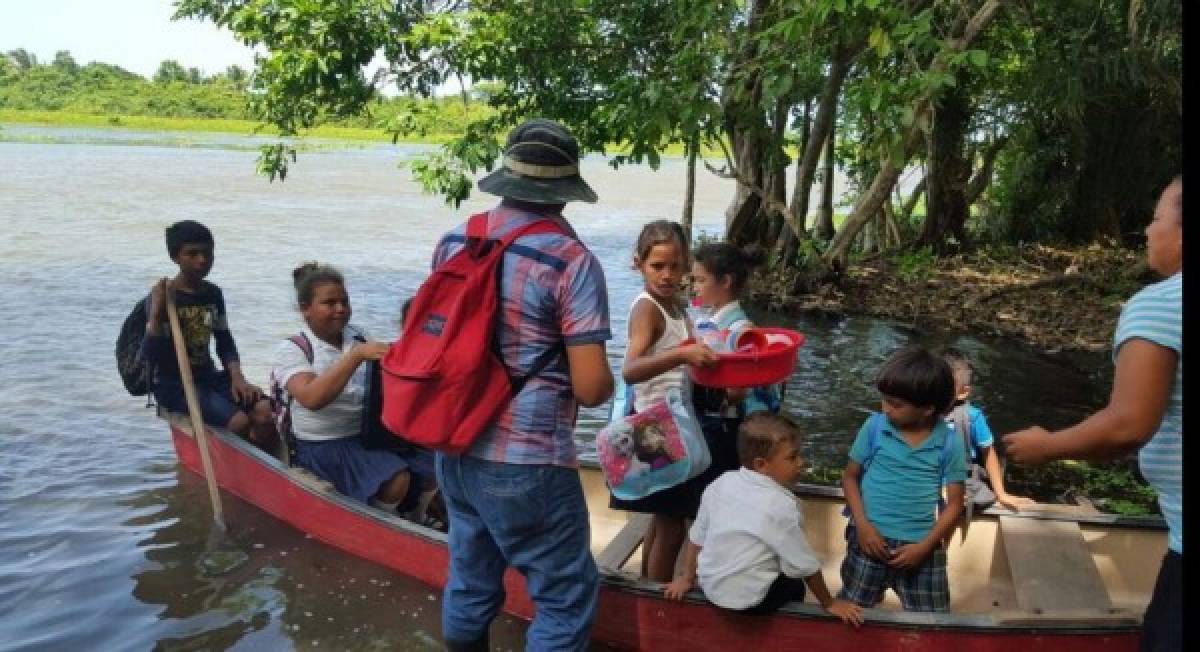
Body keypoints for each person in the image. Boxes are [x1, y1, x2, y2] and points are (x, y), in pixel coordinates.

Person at [430, 119, 614, 652]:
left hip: (455, 447)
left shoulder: (454, 241)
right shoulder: (570, 261)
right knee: (563, 597)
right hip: (526, 458)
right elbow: (591, 388)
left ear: (506, 179)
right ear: (564, 193)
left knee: (470, 578)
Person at [1004, 177, 1181, 651]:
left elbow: (1127, 426)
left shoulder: (1161, 305)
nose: (1147, 229)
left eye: (1157, 217)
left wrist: (1047, 446)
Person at [272, 263, 438, 524]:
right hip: (322, 442)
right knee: (397, 478)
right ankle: (383, 522)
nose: (340, 309)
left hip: (366, 432)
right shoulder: (294, 348)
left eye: (344, 301)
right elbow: (311, 398)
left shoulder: (357, 335)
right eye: (329, 303)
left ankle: (415, 513)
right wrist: (356, 356)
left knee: (435, 461)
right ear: (306, 309)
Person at [663, 413, 864, 626]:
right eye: (792, 457)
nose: (801, 463)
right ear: (761, 464)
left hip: (711, 590)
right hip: (754, 604)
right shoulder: (782, 506)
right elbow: (805, 566)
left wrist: (686, 578)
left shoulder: (720, 483)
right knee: (795, 582)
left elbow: (697, 538)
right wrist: (829, 602)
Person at [609, 219, 720, 583]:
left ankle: (647, 583)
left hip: (669, 422)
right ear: (638, 263)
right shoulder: (648, 309)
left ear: (686, 264)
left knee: (663, 515)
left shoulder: (674, 307)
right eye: (657, 266)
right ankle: (657, 597)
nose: (667, 275)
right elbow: (630, 369)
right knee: (673, 522)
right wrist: (683, 357)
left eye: (675, 266)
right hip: (653, 427)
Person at [838, 345, 966, 612]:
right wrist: (862, 526)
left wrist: (925, 547)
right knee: (853, 608)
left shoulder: (949, 442)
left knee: (934, 620)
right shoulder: (874, 427)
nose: (886, 409)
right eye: (884, 400)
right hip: (869, 540)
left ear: (928, 408)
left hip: (921, 546)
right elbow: (850, 478)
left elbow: (955, 504)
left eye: (896, 404)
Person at [143, 220, 276, 450]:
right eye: (192, 254)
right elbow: (151, 355)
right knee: (239, 422)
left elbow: (224, 339)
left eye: (207, 253)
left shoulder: (213, 294)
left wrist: (237, 377)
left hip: (208, 377)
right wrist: (156, 314)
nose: (201, 260)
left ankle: (265, 458)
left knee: (266, 412)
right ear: (175, 257)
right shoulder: (165, 297)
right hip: (175, 385)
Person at [939, 347, 1033, 512]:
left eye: (945, 389)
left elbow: (988, 454)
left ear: (962, 393)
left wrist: (1001, 494)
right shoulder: (920, 414)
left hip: (962, 482)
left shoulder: (972, 418)